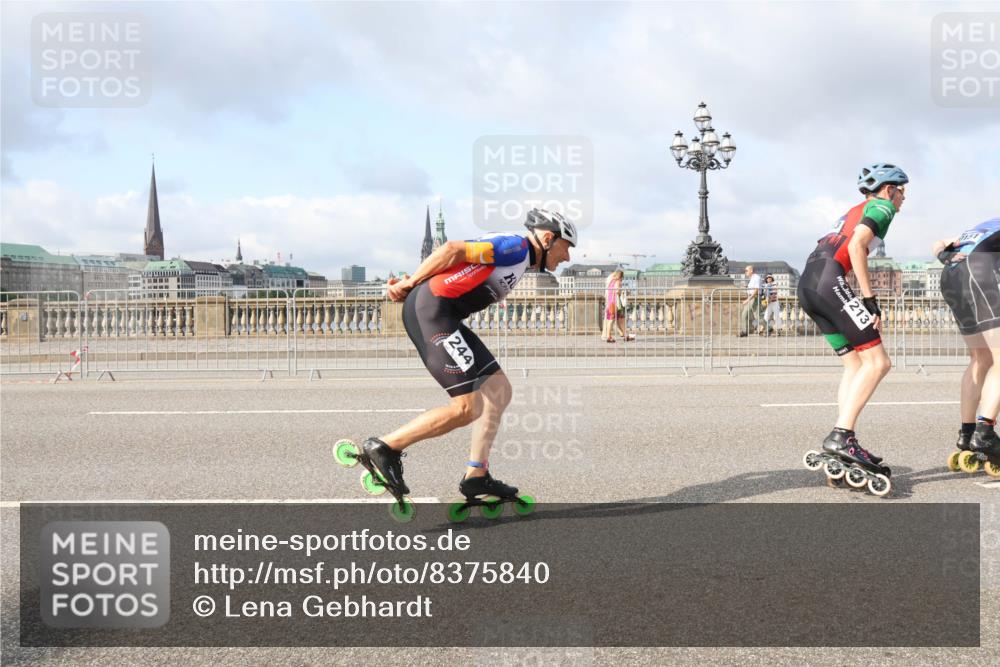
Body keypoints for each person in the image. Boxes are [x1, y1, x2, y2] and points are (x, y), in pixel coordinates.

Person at [359, 208, 578, 508]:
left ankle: (477, 474)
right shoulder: (516, 248)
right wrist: (413, 285)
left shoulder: (520, 255)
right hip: (433, 315)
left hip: (443, 313)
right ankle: (385, 447)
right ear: (549, 238)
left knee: (499, 391)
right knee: (467, 408)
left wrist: (418, 280)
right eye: (567, 247)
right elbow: (452, 249)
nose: (567, 257)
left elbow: (458, 265)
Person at [797, 163, 908, 477]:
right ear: (889, 189)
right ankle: (842, 436)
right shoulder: (882, 206)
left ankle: (843, 435)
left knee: (855, 364)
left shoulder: (854, 209)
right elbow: (858, 245)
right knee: (878, 363)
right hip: (829, 281)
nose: (903, 198)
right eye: (902, 191)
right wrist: (870, 300)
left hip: (808, 283)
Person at [933, 217, 1000, 471]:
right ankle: (985, 432)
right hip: (979, 272)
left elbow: (938, 242)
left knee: (981, 358)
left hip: (950, 276)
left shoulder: (982, 227)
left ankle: (967, 434)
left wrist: (942, 254)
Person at [602, 269, 634, 342]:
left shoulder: (611, 282)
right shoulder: (618, 282)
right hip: (616, 303)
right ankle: (609, 336)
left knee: (619, 320)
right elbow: (617, 291)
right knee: (613, 320)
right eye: (622, 277)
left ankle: (625, 336)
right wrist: (623, 292)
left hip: (610, 302)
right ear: (621, 276)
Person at [738, 265, 761, 337]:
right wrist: (746, 286)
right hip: (751, 298)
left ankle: (768, 328)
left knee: (757, 316)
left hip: (754, 298)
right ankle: (744, 331)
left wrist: (747, 300)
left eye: (746, 270)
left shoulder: (757, 277)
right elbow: (752, 289)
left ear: (751, 270)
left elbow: (756, 290)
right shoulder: (752, 278)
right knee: (745, 314)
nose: (745, 272)